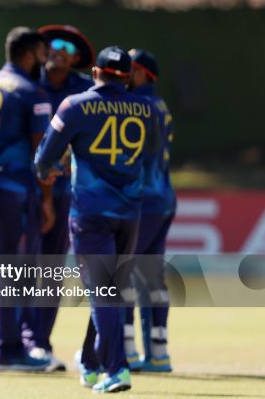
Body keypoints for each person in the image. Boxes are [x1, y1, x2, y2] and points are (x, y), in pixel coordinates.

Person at [34, 46, 161, 393]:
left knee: (102, 292)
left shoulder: (75, 105)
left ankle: (116, 369)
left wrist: (49, 170)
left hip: (90, 213)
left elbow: (43, 158)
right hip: (130, 213)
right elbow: (151, 153)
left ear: (95, 73)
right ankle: (91, 362)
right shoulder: (148, 109)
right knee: (110, 291)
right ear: (127, 77)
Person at [0, 26, 54, 372]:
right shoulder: (33, 92)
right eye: (42, 54)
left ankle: (2, 345)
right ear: (30, 55)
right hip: (13, 188)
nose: (45, 61)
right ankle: (9, 350)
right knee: (15, 269)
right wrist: (46, 200)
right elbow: (41, 153)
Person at [24, 24, 96, 371]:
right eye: (54, 43)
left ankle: (39, 342)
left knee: (51, 270)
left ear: (76, 58)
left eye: (67, 47)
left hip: (65, 190)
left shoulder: (84, 90)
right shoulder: (26, 83)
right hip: (24, 189)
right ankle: (19, 342)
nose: (58, 50)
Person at [123, 48, 175, 372]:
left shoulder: (136, 106)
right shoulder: (159, 104)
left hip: (144, 200)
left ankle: (126, 351)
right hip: (164, 198)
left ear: (142, 73)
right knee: (153, 277)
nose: (123, 74)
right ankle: (159, 352)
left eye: (129, 68)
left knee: (122, 272)